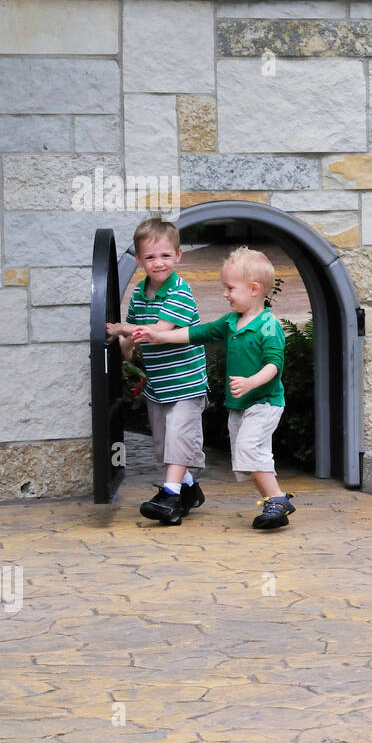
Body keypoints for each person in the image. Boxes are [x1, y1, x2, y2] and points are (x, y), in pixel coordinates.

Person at [134, 246, 295, 531]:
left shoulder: (269, 326)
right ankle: (275, 500)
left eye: (230, 288)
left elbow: (274, 366)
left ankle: (278, 499)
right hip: (240, 405)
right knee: (248, 456)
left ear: (254, 289)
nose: (225, 293)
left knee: (248, 449)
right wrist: (158, 335)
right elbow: (198, 333)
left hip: (265, 402)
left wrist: (250, 382)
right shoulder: (231, 321)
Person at [106, 218, 208, 526]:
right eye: (150, 257)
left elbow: (158, 330)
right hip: (159, 385)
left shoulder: (180, 290)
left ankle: (170, 495)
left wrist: (124, 328)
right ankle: (189, 489)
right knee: (164, 445)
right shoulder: (139, 293)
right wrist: (123, 344)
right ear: (138, 260)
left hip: (187, 384)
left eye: (165, 256)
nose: (158, 263)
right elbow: (133, 341)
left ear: (178, 256)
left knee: (179, 436)